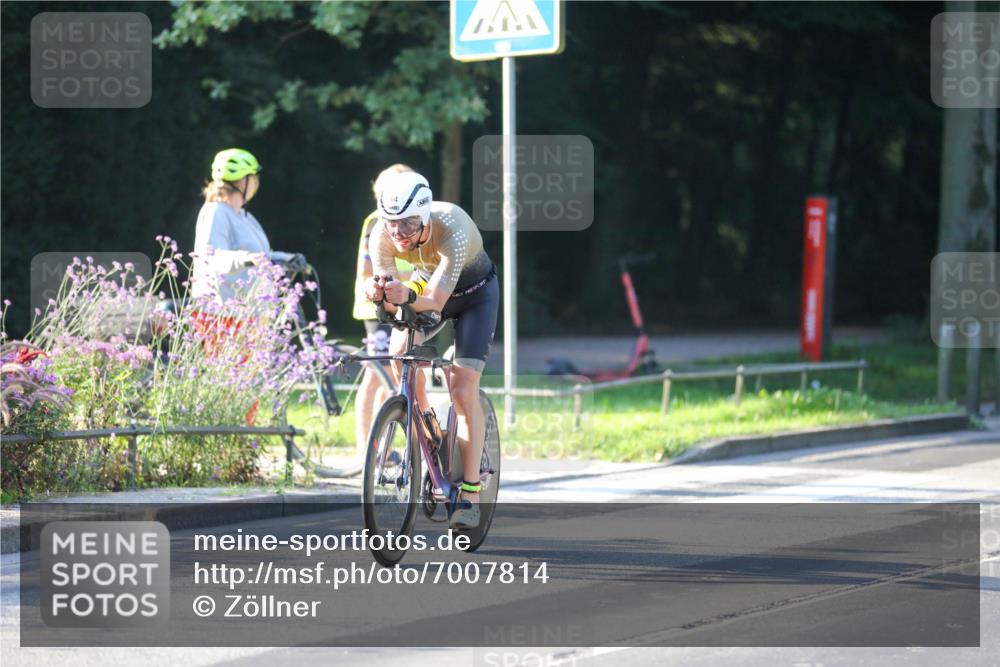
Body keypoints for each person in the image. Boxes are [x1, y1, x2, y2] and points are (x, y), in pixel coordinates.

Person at [365, 171, 498, 530]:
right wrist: (381, 297)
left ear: (425, 217)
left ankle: (470, 492)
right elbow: (392, 303)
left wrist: (404, 295)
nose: (399, 235)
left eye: (409, 225)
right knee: (398, 353)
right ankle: (429, 426)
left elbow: (435, 302)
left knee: (461, 386)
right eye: (393, 224)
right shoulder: (381, 233)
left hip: (473, 295)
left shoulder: (453, 227)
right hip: (428, 285)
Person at [352, 164, 416, 460]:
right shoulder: (377, 221)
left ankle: (383, 448)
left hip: (402, 303)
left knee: (392, 375)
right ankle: (366, 447)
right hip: (376, 306)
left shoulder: (409, 222)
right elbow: (368, 267)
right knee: (375, 374)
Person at [190, 148, 305, 302]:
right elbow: (213, 256)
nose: (256, 182)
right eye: (254, 177)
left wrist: (286, 259)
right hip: (220, 315)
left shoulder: (246, 217)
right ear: (244, 181)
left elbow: (260, 256)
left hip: (250, 315)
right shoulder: (215, 211)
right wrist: (246, 258)